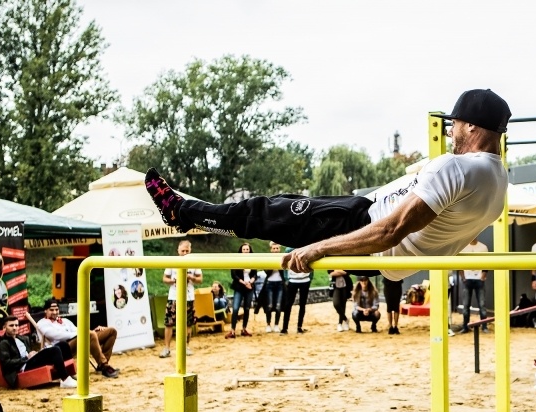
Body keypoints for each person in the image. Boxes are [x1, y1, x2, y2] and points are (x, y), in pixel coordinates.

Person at [144, 89, 511, 281]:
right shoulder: (498, 183)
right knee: (282, 207)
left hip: (361, 226)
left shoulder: (458, 168)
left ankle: (182, 212)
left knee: (264, 211)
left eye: (456, 124)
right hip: (381, 254)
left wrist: (318, 248)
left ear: (473, 127)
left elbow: (391, 230)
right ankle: (195, 218)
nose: (450, 131)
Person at [35, 299, 120, 378]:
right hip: (62, 349)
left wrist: (93, 331)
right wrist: (85, 333)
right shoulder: (42, 323)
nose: (54, 312)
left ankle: (102, 365)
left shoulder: (64, 321)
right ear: (45, 310)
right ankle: (104, 366)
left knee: (111, 331)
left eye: (56, 310)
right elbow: (57, 335)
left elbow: (78, 330)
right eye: (51, 310)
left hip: (76, 340)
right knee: (89, 334)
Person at [0, 315, 78, 389]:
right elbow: (6, 364)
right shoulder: (3, 343)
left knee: (63, 345)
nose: (14, 328)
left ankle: (70, 373)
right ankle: (65, 379)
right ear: (4, 328)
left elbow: (28, 353)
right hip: (22, 367)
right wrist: (26, 358)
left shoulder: (22, 339)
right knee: (54, 350)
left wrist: (34, 353)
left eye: (16, 325)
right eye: (11, 325)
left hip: (29, 361)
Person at [161, 240, 203, 357]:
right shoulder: (173, 262)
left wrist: (191, 277)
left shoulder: (194, 263)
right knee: (169, 322)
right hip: (174, 296)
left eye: (187, 251)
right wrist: (174, 280)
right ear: (178, 250)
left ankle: (186, 347)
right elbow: (164, 278)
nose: (184, 253)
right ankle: (167, 348)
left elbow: (200, 279)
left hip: (188, 297)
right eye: (182, 250)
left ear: (190, 251)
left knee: (188, 323)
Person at [458, 237, 489, 334]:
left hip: (479, 278)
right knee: (466, 305)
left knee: (482, 304)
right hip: (468, 278)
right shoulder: (463, 247)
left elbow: (487, 263)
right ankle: (465, 326)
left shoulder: (483, 247)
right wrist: (463, 277)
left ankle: (484, 326)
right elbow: (459, 263)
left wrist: (483, 275)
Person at [227, 242, 257, 338]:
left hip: (249, 287)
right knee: (235, 308)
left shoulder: (253, 260)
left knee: (247, 309)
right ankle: (232, 330)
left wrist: (250, 282)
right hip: (239, 286)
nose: (245, 251)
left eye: (247, 250)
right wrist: (244, 283)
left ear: (250, 251)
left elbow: (255, 274)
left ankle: (244, 329)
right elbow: (234, 275)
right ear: (241, 251)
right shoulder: (236, 260)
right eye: (244, 250)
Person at [281, 254, 311, 334]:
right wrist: (287, 279)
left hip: (305, 280)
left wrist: (310, 278)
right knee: (288, 305)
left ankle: (299, 327)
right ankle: (284, 328)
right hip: (293, 280)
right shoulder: (289, 250)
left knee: (302, 304)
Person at [263, 242, 285, 333]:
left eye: (277, 248)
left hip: (280, 283)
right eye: (274, 248)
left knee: (278, 306)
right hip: (269, 283)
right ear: (271, 249)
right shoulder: (267, 258)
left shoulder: (283, 258)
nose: (275, 250)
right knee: (269, 305)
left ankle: (276, 324)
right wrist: (273, 265)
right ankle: (268, 324)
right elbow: (266, 271)